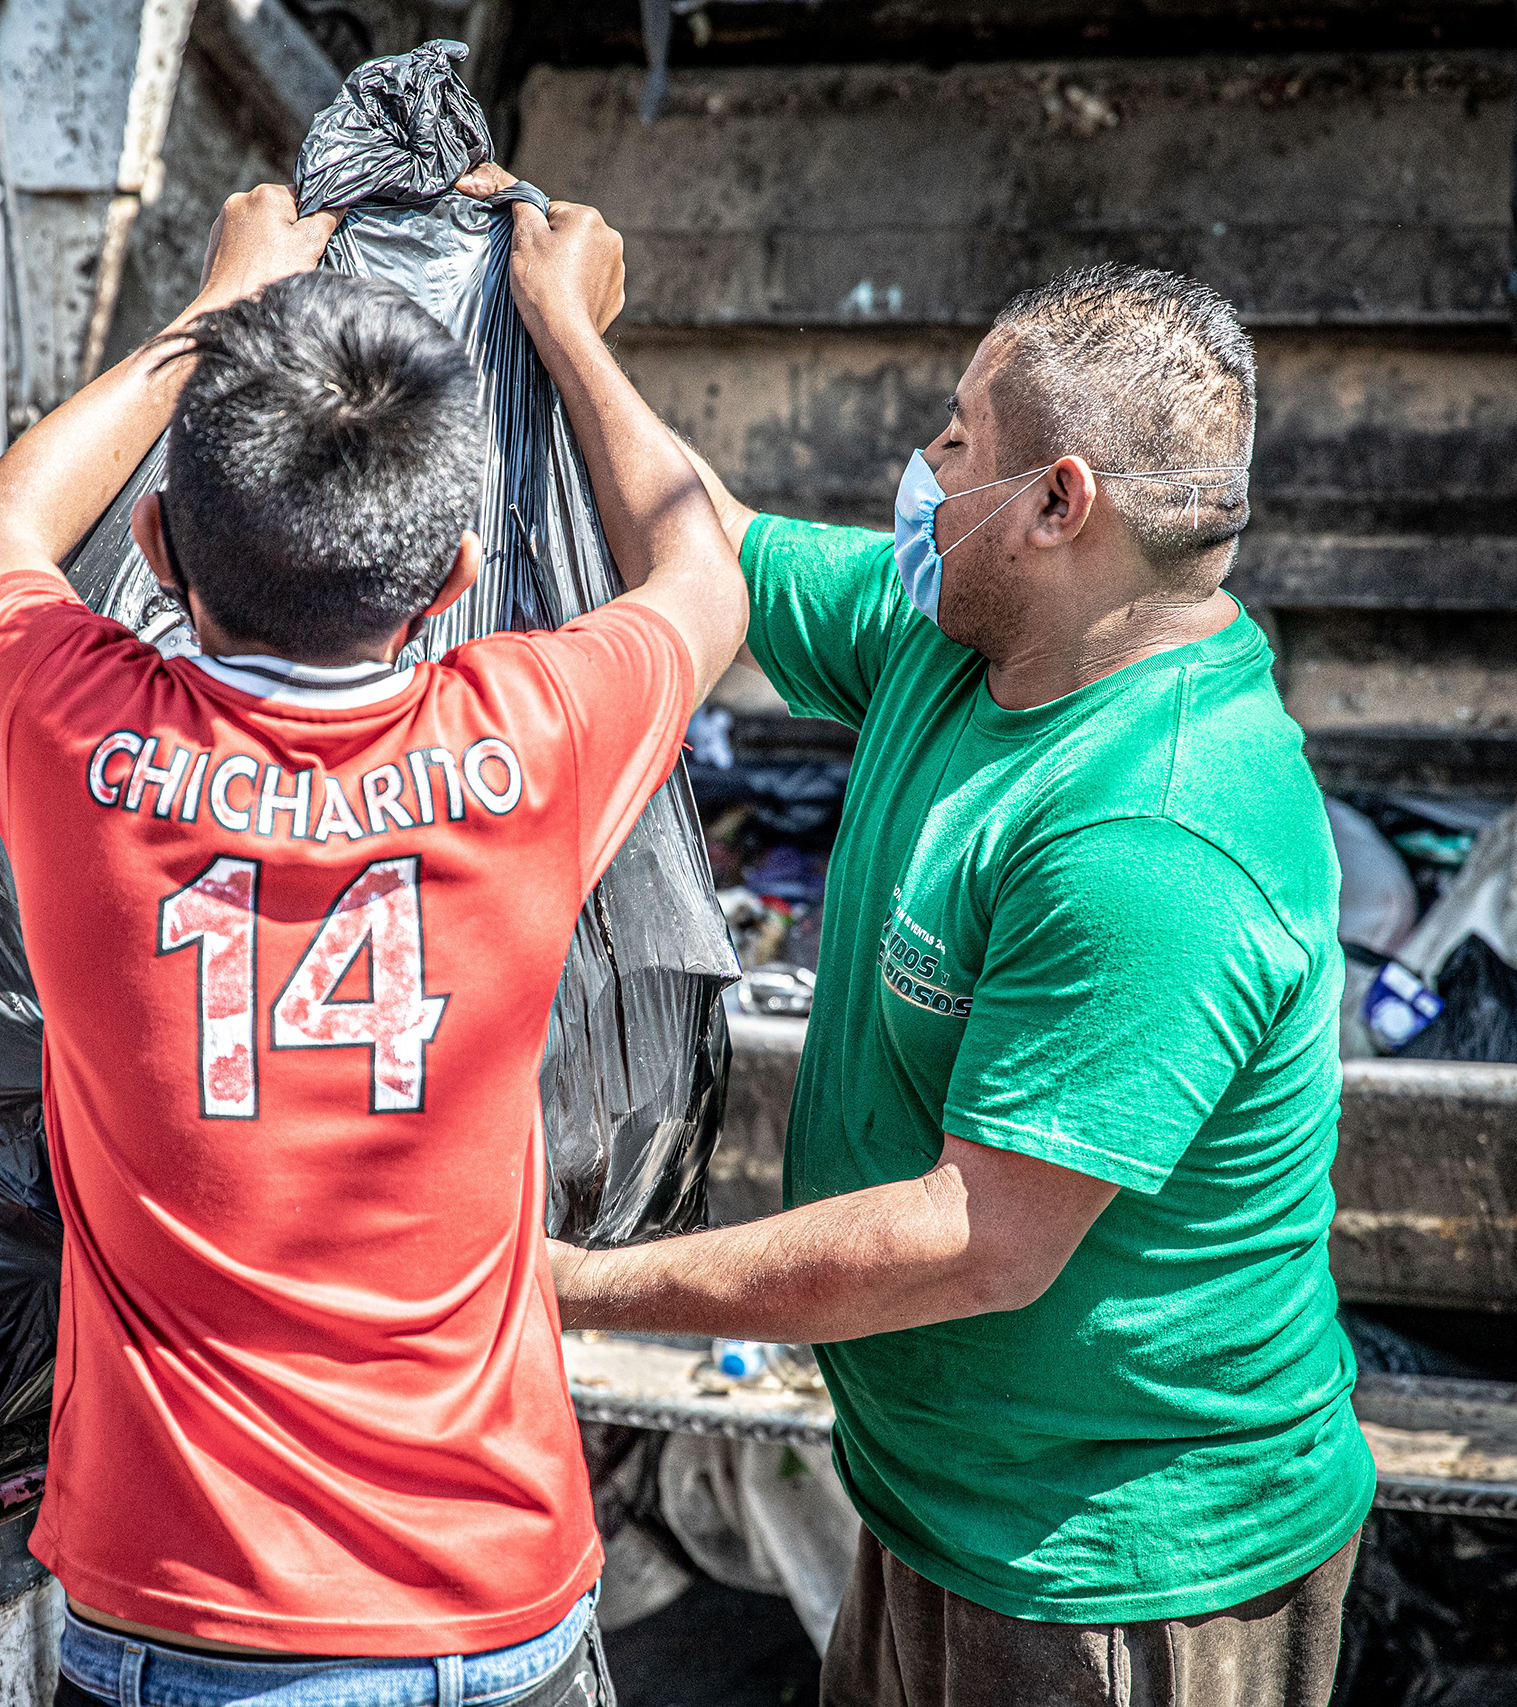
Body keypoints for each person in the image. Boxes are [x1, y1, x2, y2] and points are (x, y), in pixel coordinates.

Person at [0, 185, 744, 1701]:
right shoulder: (534, 734)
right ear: (451, 586)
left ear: (164, 550)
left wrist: (212, 304)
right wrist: (568, 323)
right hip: (501, 1606)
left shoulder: (80, 732)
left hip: (194, 1623)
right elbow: (701, 575)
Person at [550, 264, 1376, 1707]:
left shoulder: (1156, 833)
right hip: (942, 1497)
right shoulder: (967, 646)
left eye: (956, 433)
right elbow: (714, 548)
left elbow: (977, 1239)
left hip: (1115, 1567)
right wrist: (563, 324)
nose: (926, 463)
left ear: (1060, 503)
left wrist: (567, 1288)